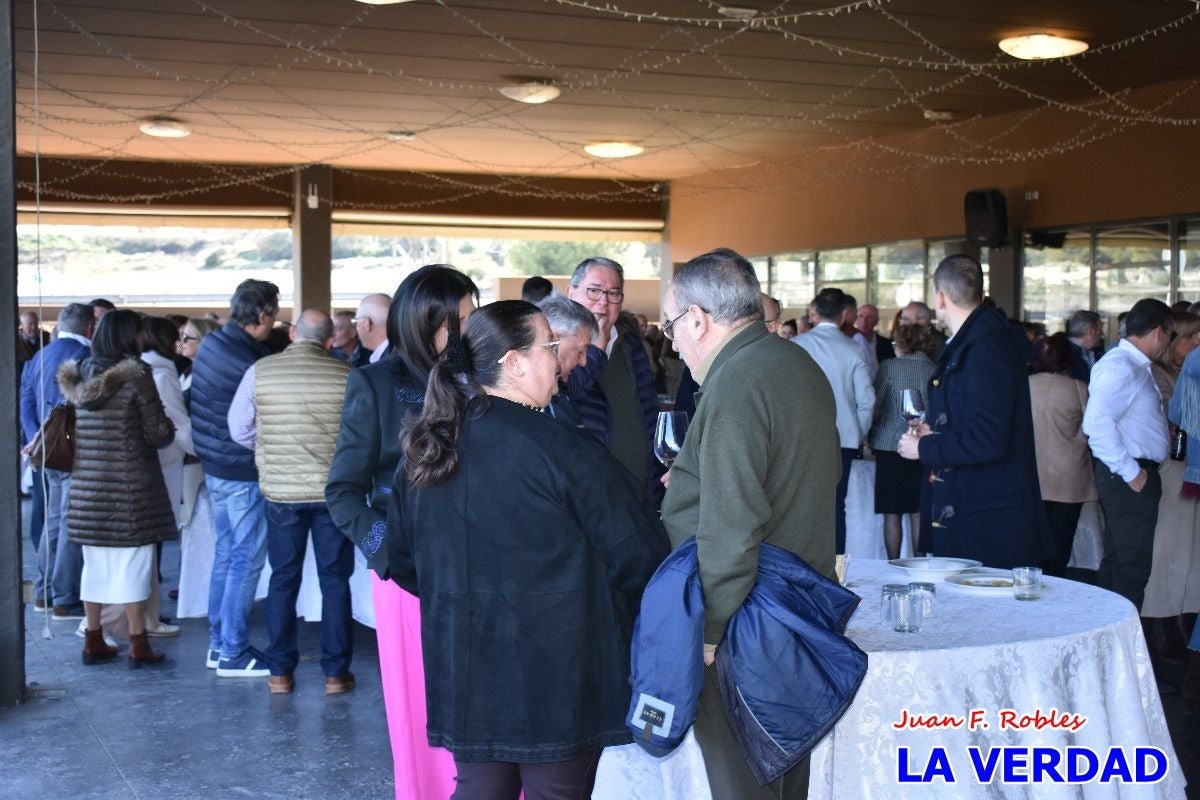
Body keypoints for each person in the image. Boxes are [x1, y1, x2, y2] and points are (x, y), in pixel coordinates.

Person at [389, 300, 666, 800]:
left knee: (479, 790)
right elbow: (641, 558)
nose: (559, 360)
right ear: (514, 363)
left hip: (468, 661)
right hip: (560, 667)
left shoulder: (430, 446)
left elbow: (404, 563)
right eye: (551, 347)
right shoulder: (564, 449)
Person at [660, 248, 838, 799]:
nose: (671, 341)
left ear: (697, 318)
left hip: (746, 620)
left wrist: (710, 632)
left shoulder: (736, 383)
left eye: (672, 326)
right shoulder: (794, 362)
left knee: (744, 782)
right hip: (796, 605)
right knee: (785, 778)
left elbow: (732, 527)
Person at [326, 264, 478, 800]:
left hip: (481, 565)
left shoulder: (476, 377)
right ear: (420, 322)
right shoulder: (375, 383)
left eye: (469, 319)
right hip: (410, 574)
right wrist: (385, 552)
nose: (463, 333)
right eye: (453, 323)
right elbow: (342, 491)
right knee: (423, 713)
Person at [229, 309, 356, 695]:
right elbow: (358, 434)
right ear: (329, 339)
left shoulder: (260, 371)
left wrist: (267, 447)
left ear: (293, 335)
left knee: (283, 580)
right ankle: (336, 674)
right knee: (335, 581)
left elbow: (238, 429)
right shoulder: (346, 375)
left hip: (282, 495)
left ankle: (280, 673)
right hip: (332, 494)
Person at [898, 255, 1050, 566]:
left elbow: (988, 438)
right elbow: (972, 420)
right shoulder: (976, 342)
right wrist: (935, 434)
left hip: (985, 515)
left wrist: (925, 446)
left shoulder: (986, 349)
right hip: (975, 506)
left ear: (940, 297)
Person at [58, 310, 176, 667]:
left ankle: (94, 638)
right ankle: (139, 643)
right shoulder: (136, 376)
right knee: (134, 566)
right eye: (139, 333)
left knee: (95, 567)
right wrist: (168, 425)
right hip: (131, 490)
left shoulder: (78, 374)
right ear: (128, 336)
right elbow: (158, 433)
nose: (143, 339)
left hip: (88, 490)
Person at [191, 279, 280, 677]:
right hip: (242, 471)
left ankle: (218, 643)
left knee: (227, 555)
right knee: (244, 561)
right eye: (274, 314)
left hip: (215, 468)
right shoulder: (248, 362)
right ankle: (233, 651)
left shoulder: (214, 343)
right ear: (262, 315)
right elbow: (253, 421)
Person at [1082, 298, 1174, 610]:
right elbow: (1095, 424)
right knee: (1130, 568)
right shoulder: (1122, 365)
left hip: (1130, 471)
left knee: (1121, 561)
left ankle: (1109, 645)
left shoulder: (1130, 365)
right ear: (1159, 332)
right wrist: (1131, 472)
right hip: (1127, 474)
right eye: (1171, 336)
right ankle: (1119, 648)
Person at [21, 302, 95, 616]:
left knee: (52, 520)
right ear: (89, 328)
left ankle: (44, 592)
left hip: (46, 451)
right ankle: (65, 596)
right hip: (73, 450)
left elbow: (25, 400)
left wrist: (37, 438)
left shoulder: (39, 355)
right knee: (70, 521)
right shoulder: (84, 358)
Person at [565, 257, 660, 492]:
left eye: (613, 293)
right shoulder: (556, 343)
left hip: (641, 487)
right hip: (587, 491)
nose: (603, 302)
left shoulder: (629, 343)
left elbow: (649, 411)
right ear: (571, 292)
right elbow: (571, 392)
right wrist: (596, 349)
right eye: (594, 291)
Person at [791, 287, 874, 554]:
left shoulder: (797, 345)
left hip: (803, 438)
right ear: (845, 315)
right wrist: (857, 434)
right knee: (837, 505)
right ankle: (836, 567)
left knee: (801, 504)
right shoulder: (853, 349)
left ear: (813, 312)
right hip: (844, 437)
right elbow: (867, 400)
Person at [1141, 311, 1200, 660]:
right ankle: (1161, 628)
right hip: (1173, 473)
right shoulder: (1159, 376)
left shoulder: (1180, 372)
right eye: (1191, 336)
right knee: (1169, 553)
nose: (1196, 343)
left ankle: (1178, 620)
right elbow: (1179, 421)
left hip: (1184, 472)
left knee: (1187, 553)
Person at [1028, 333, 1096, 578]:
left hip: (1030, 476)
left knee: (1031, 543)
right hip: (1070, 476)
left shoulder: (1022, 386)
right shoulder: (1079, 389)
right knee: (1061, 543)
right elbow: (1091, 430)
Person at [868, 322, 937, 560]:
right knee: (918, 510)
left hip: (890, 444)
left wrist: (871, 430)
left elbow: (876, 402)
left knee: (892, 512)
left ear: (902, 344)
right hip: (924, 445)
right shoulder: (934, 369)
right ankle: (919, 562)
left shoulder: (889, 367)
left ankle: (893, 563)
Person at [853, 302, 894, 381]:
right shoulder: (848, 342)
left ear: (876, 321)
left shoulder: (887, 344)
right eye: (860, 316)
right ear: (855, 318)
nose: (864, 321)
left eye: (869, 317)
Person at [353, 292, 392, 363]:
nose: (356, 328)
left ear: (367, 323)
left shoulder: (386, 363)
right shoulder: (406, 351)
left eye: (356, 322)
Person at [1066, 310, 1103, 383]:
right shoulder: (1062, 354)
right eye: (1100, 329)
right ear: (1091, 331)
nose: (1102, 333)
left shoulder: (1099, 353)